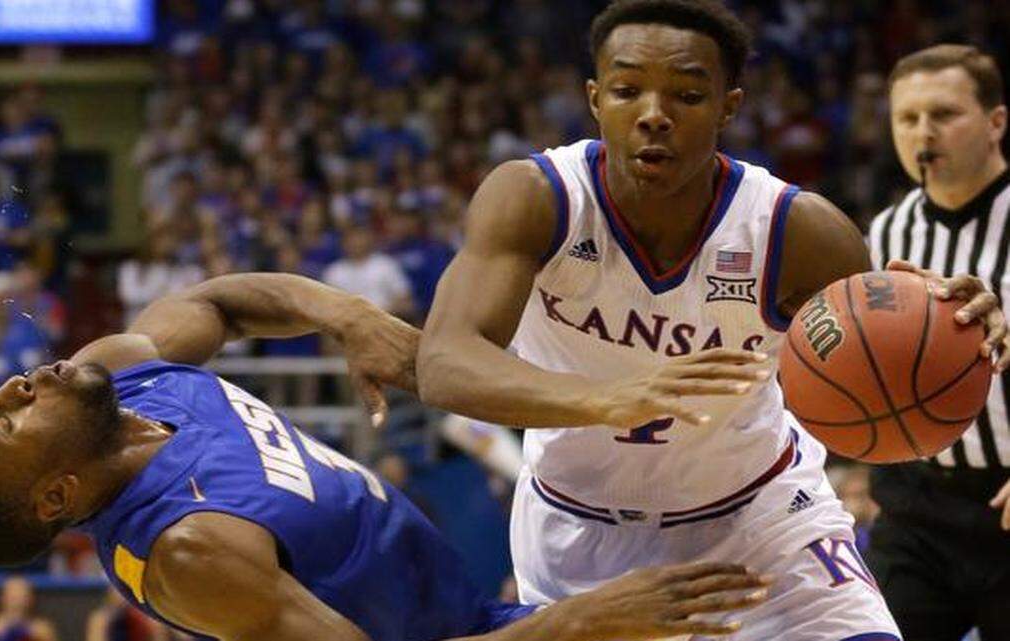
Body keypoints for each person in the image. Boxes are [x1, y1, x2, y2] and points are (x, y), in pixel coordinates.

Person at [415, 1, 1010, 639]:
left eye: (688, 95)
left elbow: (878, 352)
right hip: (579, 532)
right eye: (626, 90)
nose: (653, 114)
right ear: (594, 99)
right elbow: (444, 361)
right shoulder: (536, 198)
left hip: (760, 519)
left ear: (728, 107)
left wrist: (942, 323)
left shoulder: (799, 230)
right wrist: (605, 398)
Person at [0, 272, 773, 641]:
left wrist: (345, 315)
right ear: (57, 492)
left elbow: (221, 302)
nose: (12, 385)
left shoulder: (126, 375)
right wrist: (581, 623)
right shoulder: (189, 548)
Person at [866, 44, 1010, 641]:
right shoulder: (887, 229)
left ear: (996, 121)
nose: (923, 132)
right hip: (916, 506)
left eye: (944, 113)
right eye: (907, 117)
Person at [0, 577, 57, 641]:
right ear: (2, 597)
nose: (17, 598)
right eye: (12, 594)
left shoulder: (42, 629)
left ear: (31, 598)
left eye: (22, 594)